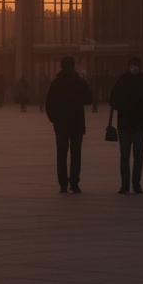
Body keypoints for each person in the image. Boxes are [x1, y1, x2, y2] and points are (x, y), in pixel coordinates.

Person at [45, 56, 90, 193]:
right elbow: (89, 98)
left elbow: (49, 104)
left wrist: (54, 119)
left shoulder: (56, 83)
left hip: (61, 125)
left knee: (61, 154)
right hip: (77, 124)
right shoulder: (79, 82)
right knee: (76, 154)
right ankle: (74, 183)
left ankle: (63, 184)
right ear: (73, 66)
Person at [108, 56, 143, 194]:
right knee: (127, 155)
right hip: (128, 124)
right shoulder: (124, 80)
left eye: (137, 66)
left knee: (136, 155)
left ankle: (135, 184)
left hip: (135, 124)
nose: (135, 68)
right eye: (133, 66)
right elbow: (112, 99)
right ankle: (126, 184)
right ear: (129, 67)